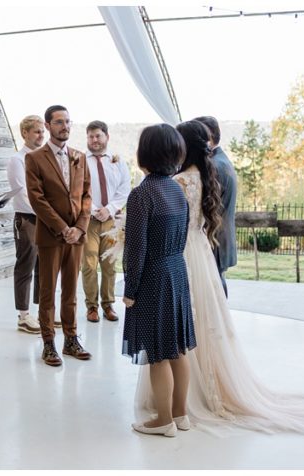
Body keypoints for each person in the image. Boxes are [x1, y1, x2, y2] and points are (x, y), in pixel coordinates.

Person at [133, 120, 304, 442]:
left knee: (168, 340)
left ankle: (172, 410)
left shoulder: (175, 183)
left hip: (175, 256)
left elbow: (150, 233)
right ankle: (181, 410)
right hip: (197, 254)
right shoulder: (208, 174)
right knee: (193, 336)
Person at [122, 123, 196, 437]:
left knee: (157, 353)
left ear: (145, 153)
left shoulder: (142, 194)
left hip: (154, 276)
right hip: (177, 272)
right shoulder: (176, 190)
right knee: (177, 348)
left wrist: (130, 289)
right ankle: (181, 415)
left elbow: (135, 248)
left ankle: (163, 419)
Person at [24, 105, 92, 367]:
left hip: (76, 237)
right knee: (48, 292)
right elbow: (37, 199)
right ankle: (49, 343)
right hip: (52, 236)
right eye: (59, 122)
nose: (65, 126)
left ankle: (71, 339)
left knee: (71, 292)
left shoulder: (79, 156)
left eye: (68, 122)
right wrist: (63, 228)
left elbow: (87, 195)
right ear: (48, 125)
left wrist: (80, 228)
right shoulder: (35, 158)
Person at [81, 121, 130, 323]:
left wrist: (109, 210)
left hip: (112, 221)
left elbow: (124, 188)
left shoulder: (118, 162)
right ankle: (91, 306)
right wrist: (94, 210)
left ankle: (108, 305)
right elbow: (77, 190)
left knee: (109, 265)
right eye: (91, 136)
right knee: (90, 264)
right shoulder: (81, 161)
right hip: (88, 220)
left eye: (98, 136)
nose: (94, 140)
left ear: (106, 137)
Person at [6, 115, 44, 334]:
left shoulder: (43, 158)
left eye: (42, 132)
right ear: (25, 133)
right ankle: (23, 315)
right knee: (26, 265)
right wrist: (47, 213)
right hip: (27, 219)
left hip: (45, 219)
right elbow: (23, 193)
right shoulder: (17, 160)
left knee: (43, 266)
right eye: (37, 131)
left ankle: (41, 311)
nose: (41, 136)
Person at [192, 116, 237, 296]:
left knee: (214, 292)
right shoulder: (221, 161)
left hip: (214, 238)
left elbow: (205, 207)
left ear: (208, 137)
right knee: (217, 286)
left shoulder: (214, 166)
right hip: (220, 237)